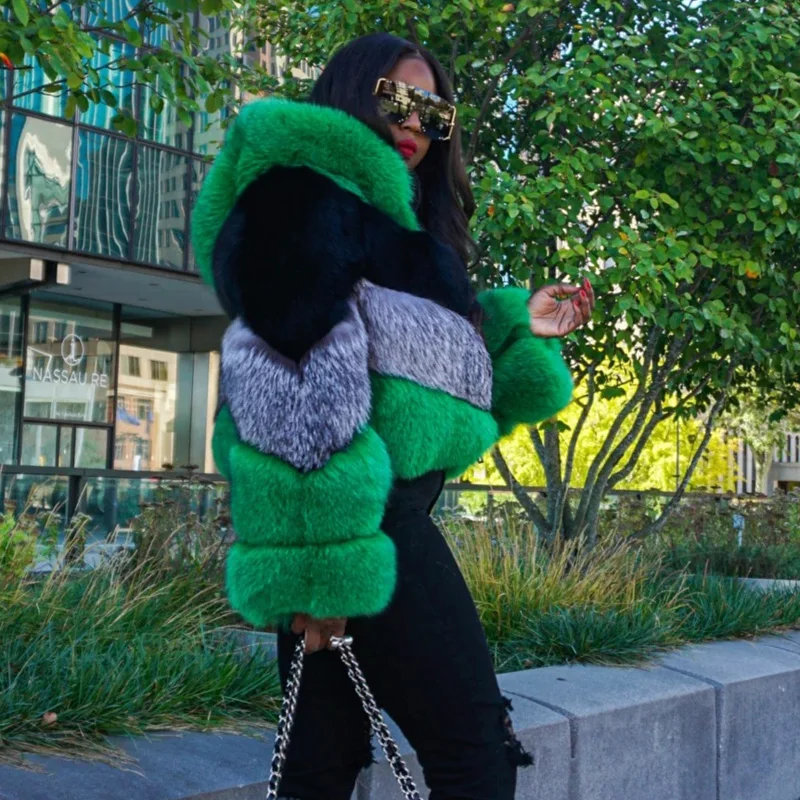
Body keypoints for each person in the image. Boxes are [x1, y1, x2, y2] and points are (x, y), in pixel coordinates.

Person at [192, 32, 594, 800]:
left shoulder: (392, 231)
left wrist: (519, 326)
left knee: (319, 764)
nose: (415, 123)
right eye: (397, 99)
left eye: (435, 113)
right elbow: (289, 398)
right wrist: (324, 574)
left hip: (352, 528)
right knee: (476, 756)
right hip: (360, 531)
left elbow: (423, 401)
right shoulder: (301, 197)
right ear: (352, 93)